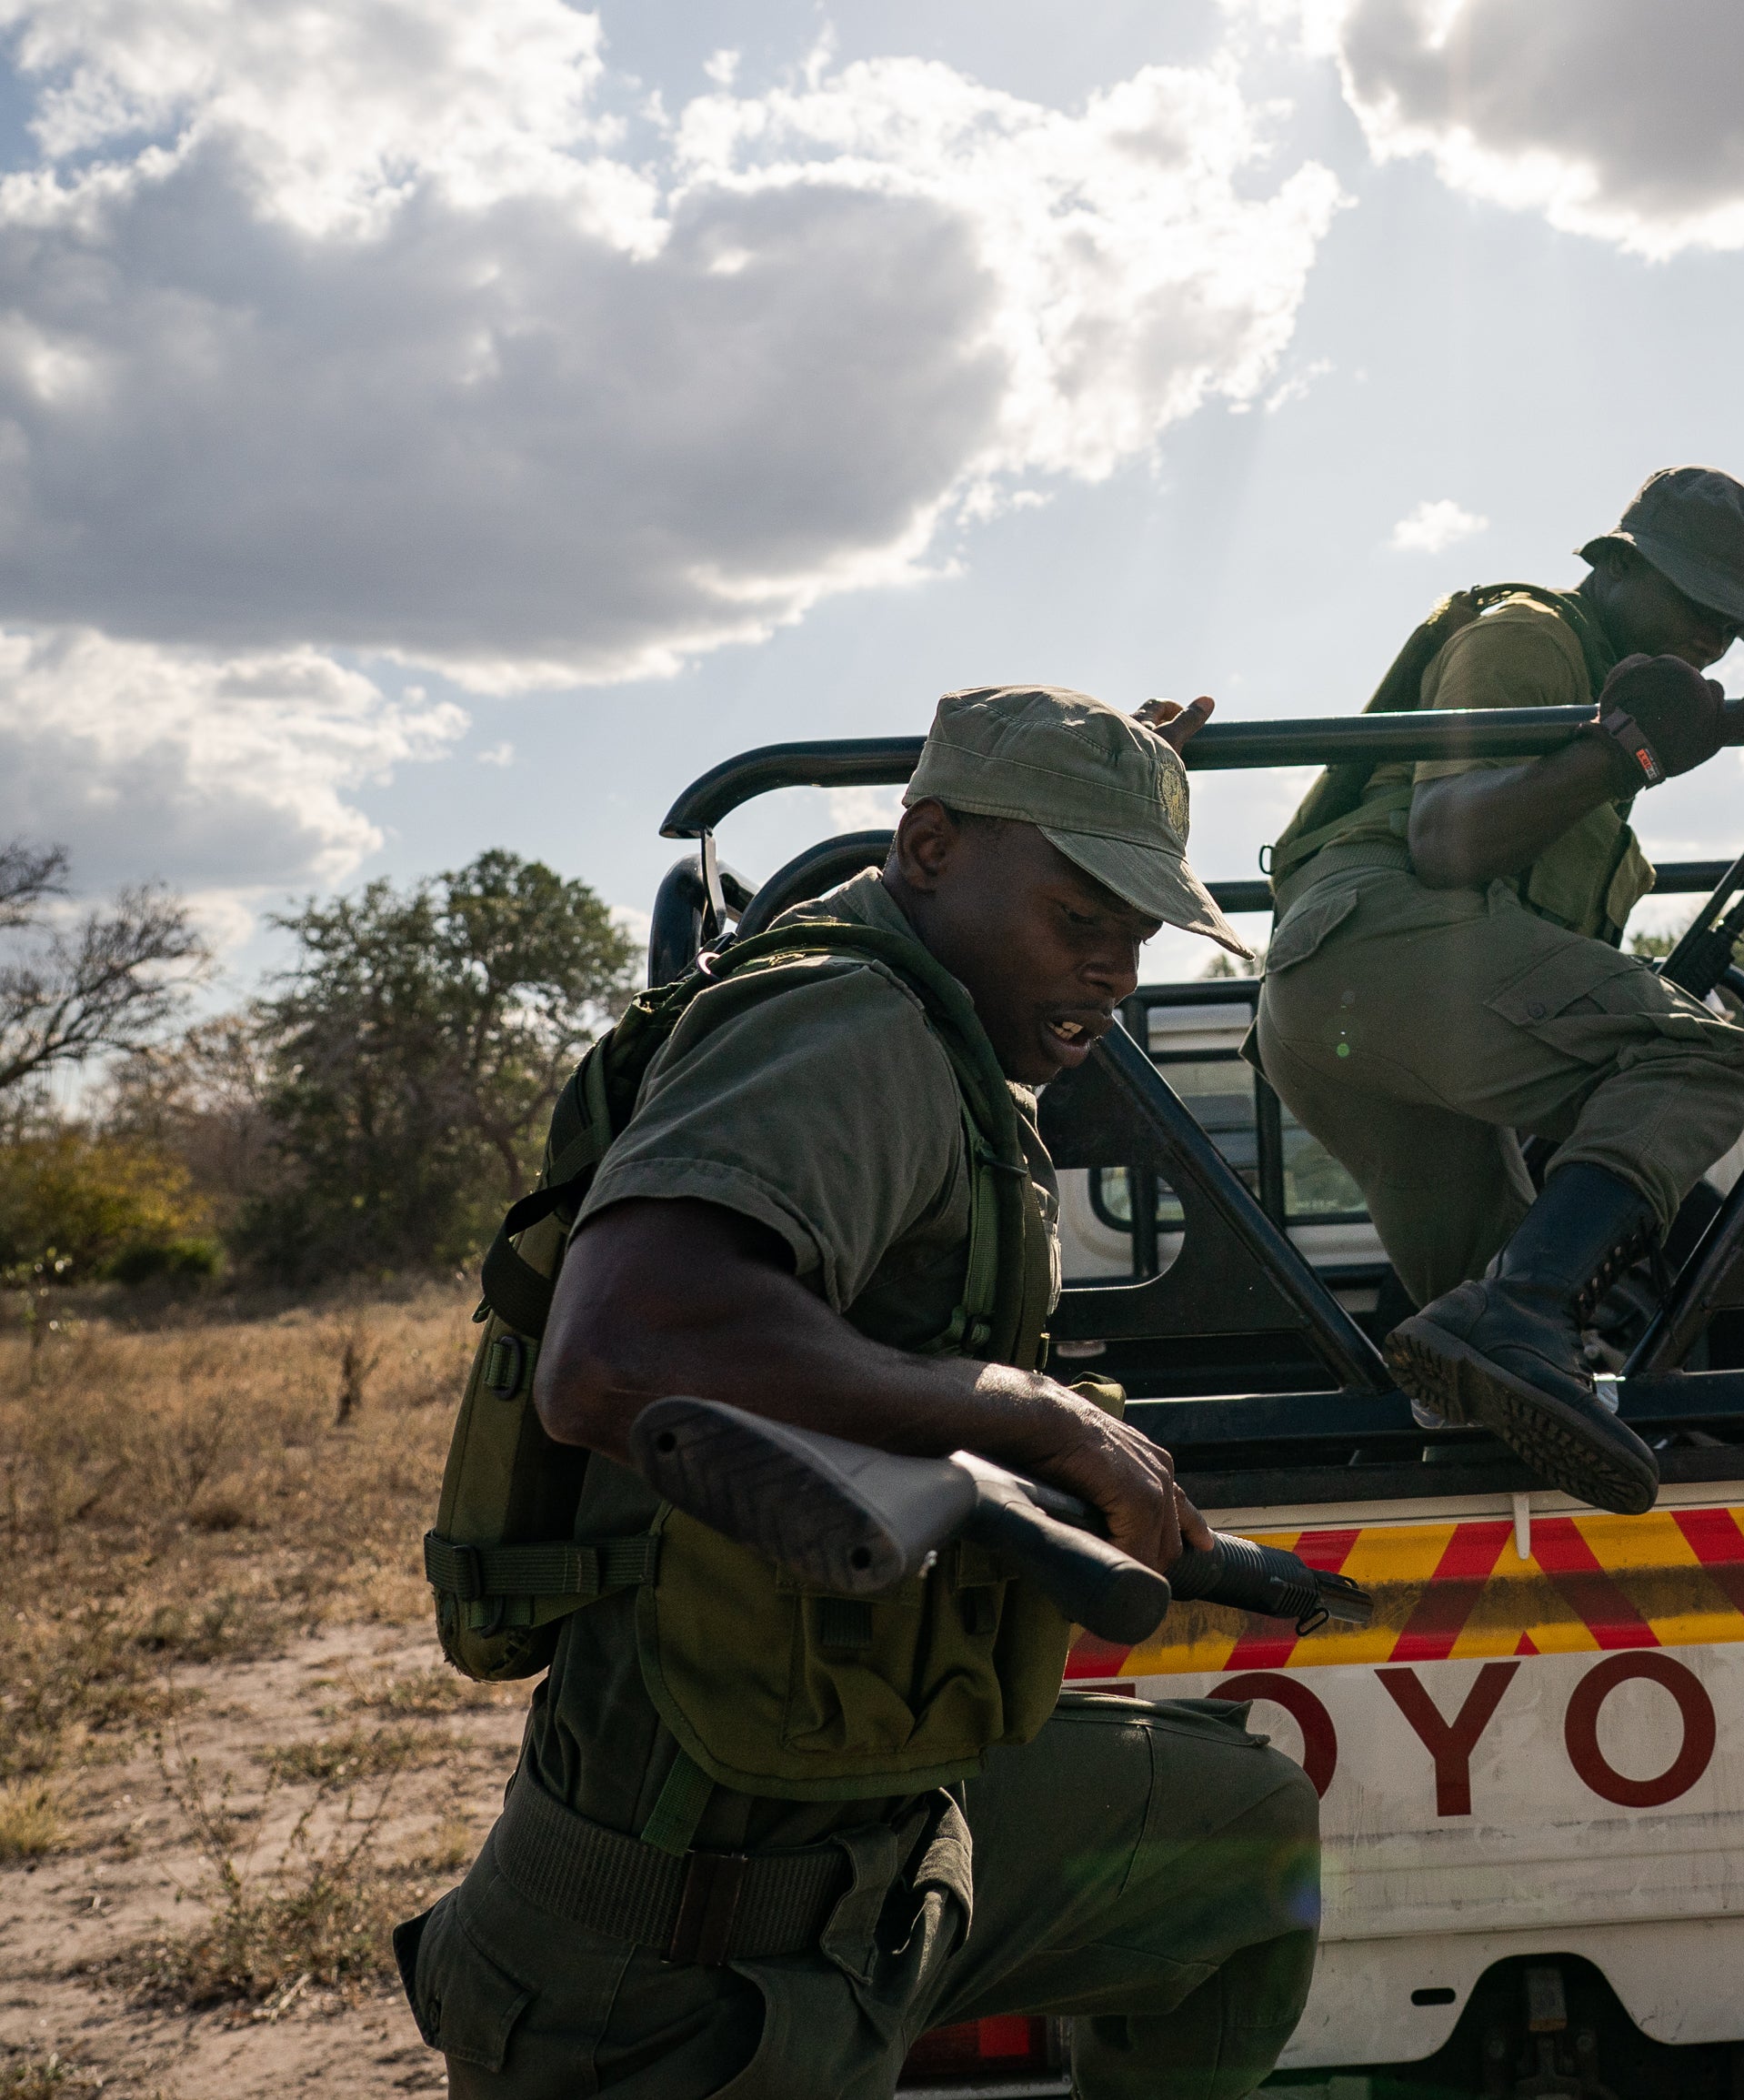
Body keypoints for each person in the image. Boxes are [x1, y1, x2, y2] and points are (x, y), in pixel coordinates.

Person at [398, 689, 1320, 2100]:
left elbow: (919, 896)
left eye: (1140, 928)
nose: (1121, 968)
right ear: (932, 847)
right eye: (1085, 914)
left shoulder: (929, 1006)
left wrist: (1107, 798)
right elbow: (619, 1346)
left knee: (1236, 1835)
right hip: (685, 1964)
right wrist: (1036, 1414)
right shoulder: (852, 1021)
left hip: (883, 1843)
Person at [1251, 467, 1744, 1517]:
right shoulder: (1531, 637)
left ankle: (1455, 1554)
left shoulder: (1605, 681)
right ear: (1615, 565)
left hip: (1365, 1009)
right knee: (1703, 1057)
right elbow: (1446, 838)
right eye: (1693, 601)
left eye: (1732, 625)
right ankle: (1527, 1308)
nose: (1709, 640)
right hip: (1378, 952)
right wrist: (1621, 751)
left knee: (1483, 1368)